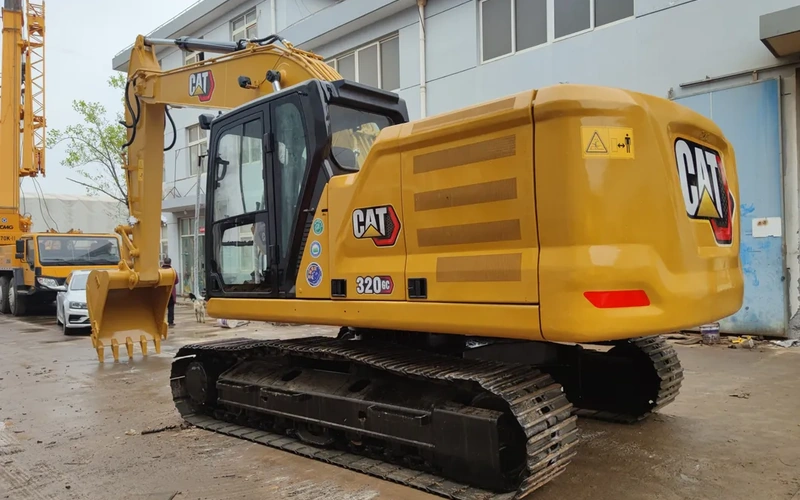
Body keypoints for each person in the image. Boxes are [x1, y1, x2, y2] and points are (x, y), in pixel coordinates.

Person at [162, 257, 179, 327]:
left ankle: (161, 322)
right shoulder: (173, 271)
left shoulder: (160, 270)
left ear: (163, 262)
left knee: (161, 309)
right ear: (170, 263)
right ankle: (170, 322)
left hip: (161, 293)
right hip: (171, 293)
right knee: (171, 308)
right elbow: (177, 281)